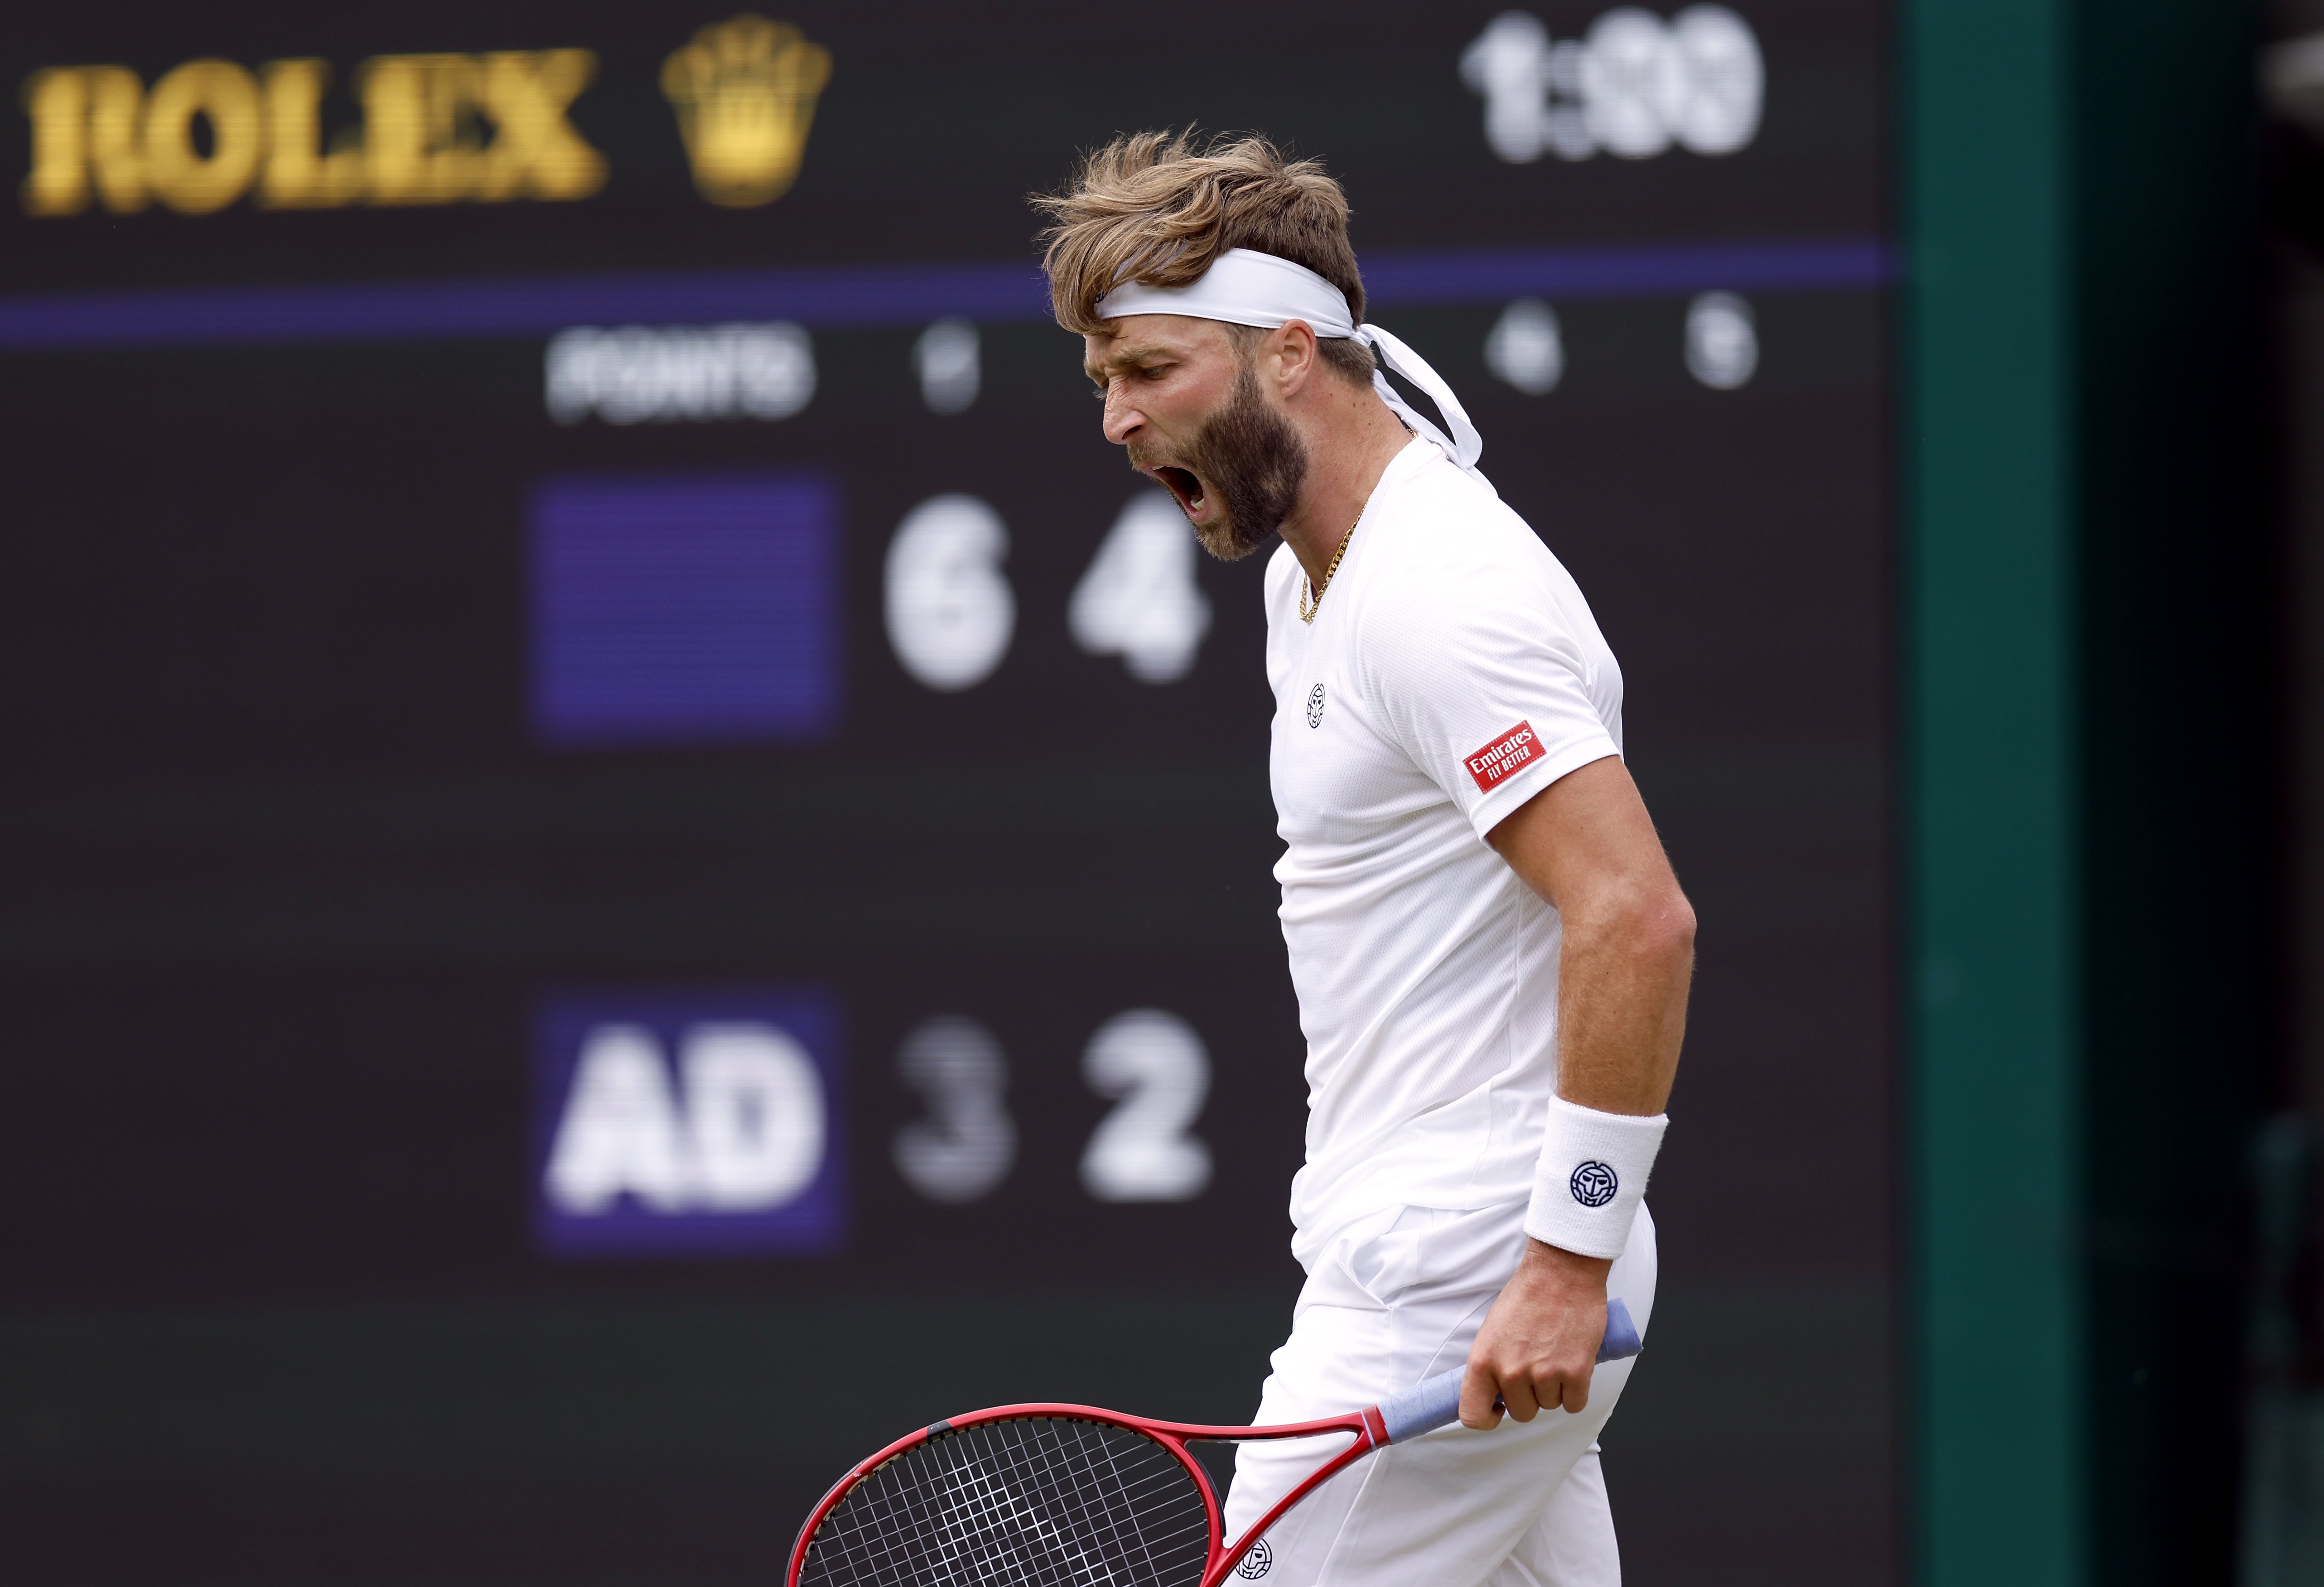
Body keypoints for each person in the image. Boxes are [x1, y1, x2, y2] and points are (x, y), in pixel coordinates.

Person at [1036, 133, 1696, 1585]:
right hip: (1438, 1242)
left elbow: (1633, 914)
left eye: (1149, 370)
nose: (1116, 420)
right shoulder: (1311, 576)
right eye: (1102, 384)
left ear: (1288, 352)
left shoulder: (1439, 594)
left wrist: (1563, 1260)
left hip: (1461, 1260)